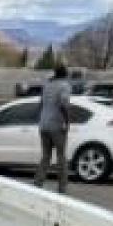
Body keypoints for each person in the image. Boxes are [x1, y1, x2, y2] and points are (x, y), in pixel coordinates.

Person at [35, 63, 73, 194]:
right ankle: (62, 188)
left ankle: (38, 183)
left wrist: (41, 118)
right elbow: (64, 103)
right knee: (61, 156)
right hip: (57, 125)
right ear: (65, 74)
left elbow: (40, 104)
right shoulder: (64, 85)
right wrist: (67, 121)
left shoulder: (47, 85)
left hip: (43, 124)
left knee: (46, 156)